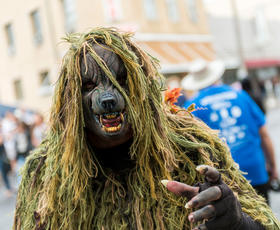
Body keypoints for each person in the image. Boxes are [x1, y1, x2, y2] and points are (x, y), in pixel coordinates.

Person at [14, 28, 279, 230]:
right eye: (89, 86)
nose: (107, 97)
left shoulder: (192, 149)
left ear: (142, 89)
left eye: (121, 81)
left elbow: (263, 223)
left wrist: (236, 221)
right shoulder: (46, 174)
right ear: (70, 101)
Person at [182, 59, 279, 203]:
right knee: (264, 222)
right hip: (256, 169)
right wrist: (272, 166)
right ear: (215, 76)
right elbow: (264, 134)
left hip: (224, 179)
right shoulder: (241, 96)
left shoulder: (191, 107)